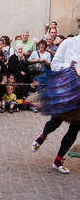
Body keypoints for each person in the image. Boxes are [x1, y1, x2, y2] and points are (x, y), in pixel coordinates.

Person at [31, 34, 80, 173]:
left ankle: (58, 161)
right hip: (66, 90)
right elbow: (55, 64)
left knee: (75, 128)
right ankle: (42, 136)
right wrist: (71, 67)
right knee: (56, 121)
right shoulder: (69, 43)